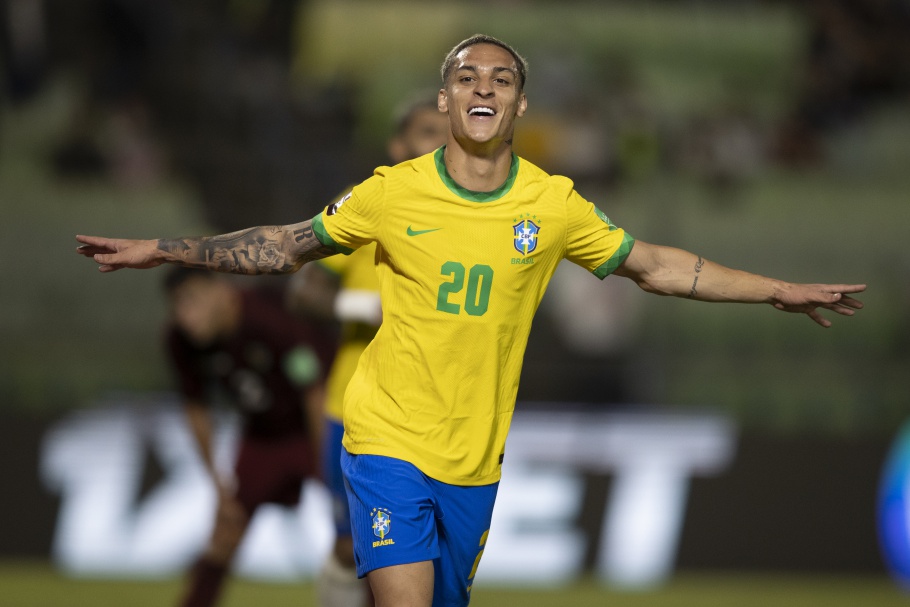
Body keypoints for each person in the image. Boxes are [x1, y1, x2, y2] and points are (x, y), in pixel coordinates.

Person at [76, 34, 865, 607]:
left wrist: (776, 289)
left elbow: (655, 265)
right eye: (465, 76)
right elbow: (288, 247)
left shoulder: (552, 204)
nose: (482, 86)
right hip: (384, 438)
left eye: (501, 78)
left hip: (474, 460)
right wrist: (167, 248)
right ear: (445, 100)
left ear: (518, 104)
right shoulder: (390, 192)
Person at [286, 94, 449, 607]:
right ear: (397, 146)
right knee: (350, 546)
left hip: (439, 413)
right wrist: (363, 306)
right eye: (427, 132)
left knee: (421, 560)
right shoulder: (368, 202)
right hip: (358, 407)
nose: (441, 142)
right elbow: (302, 291)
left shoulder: (476, 213)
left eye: (448, 131)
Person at [161, 267, 332, 607]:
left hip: (316, 426)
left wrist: (328, 466)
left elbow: (314, 393)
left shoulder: (269, 318)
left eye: (193, 301)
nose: (185, 316)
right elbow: (196, 409)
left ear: (222, 292)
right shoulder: (180, 342)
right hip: (262, 436)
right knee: (226, 530)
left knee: (356, 531)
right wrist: (218, 484)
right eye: (177, 305)